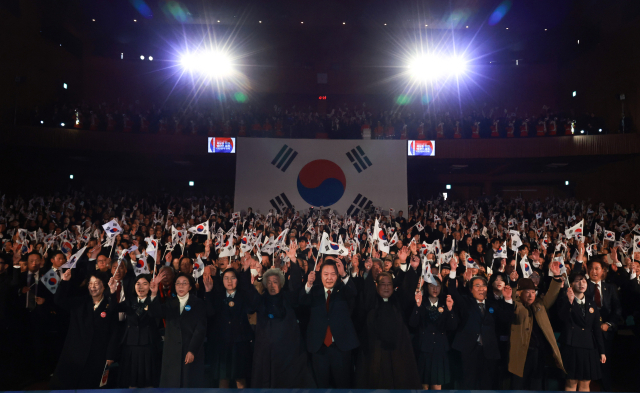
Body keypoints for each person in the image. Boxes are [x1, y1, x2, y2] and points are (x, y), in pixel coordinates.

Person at [244, 245, 315, 388]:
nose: (272, 285)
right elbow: (248, 294)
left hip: (286, 355)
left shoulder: (288, 298)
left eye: (275, 282)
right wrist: (245, 270)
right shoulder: (261, 300)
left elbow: (295, 285)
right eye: (268, 282)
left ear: (281, 283)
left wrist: (293, 260)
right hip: (265, 355)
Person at [447, 257, 514, 390]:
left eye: (483, 286)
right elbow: (453, 292)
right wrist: (453, 271)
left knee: (487, 385)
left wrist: (507, 299)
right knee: (468, 384)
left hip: (489, 351)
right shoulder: (466, 303)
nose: (481, 288)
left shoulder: (492, 305)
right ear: (471, 290)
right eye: (477, 286)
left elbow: (507, 317)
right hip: (469, 350)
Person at [49, 270, 119, 389]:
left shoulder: (109, 304)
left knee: (90, 387)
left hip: (96, 356)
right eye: (90, 283)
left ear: (104, 285)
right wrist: (64, 282)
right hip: (74, 354)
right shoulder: (80, 302)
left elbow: (114, 331)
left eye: (96, 283)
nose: (93, 287)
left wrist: (110, 355)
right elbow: (58, 301)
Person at [355, 271, 421, 389]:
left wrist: (413, 268)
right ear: (376, 286)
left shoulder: (398, 302)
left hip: (398, 357)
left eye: (389, 284)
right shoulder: (370, 303)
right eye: (383, 284)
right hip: (374, 357)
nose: (386, 287)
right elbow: (366, 293)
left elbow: (407, 289)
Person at [299, 258, 359, 388]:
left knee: (343, 385)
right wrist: (308, 284)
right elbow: (302, 301)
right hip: (319, 348)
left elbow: (354, 292)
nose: (329, 278)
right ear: (320, 275)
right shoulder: (314, 291)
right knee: (321, 386)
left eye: (333, 274)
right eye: (326, 274)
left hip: (341, 347)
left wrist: (344, 274)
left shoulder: (343, 290)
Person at [508, 261, 565, 390]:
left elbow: (551, 295)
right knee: (519, 385)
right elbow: (511, 299)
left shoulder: (540, 304)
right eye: (527, 292)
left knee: (537, 385)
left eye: (533, 292)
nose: (530, 295)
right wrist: (512, 284)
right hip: (522, 353)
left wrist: (556, 276)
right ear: (519, 293)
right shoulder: (516, 305)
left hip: (539, 353)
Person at [148, 271, 208, 388]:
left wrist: (192, 350)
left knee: (189, 384)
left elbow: (200, 329)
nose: (181, 286)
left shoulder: (198, 303)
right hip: (172, 353)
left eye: (184, 283)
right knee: (171, 385)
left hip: (190, 350)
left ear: (190, 286)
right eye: (178, 283)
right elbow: (154, 313)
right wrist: (154, 293)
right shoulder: (170, 302)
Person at [204, 260, 255, 388]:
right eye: (226, 278)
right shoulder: (217, 296)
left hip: (240, 343)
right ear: (222, 280)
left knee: (240, 378)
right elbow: (209, 313)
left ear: (237, 280)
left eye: (233, 278)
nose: (230, 281)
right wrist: (208, 292)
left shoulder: (243, 296)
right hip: (222, 343)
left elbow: (251, 309)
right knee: (223, 378)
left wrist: (248, 284)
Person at [108, 274, 161, 388]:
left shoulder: (154, 300)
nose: (141, 287)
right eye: (138, 284)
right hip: (130, 346)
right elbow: (113, 310)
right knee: (131, 381)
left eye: (145, 284)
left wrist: (154, 294)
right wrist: (112, 292)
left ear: (150, 286)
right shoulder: (129, 302)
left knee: (148, 382)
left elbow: (156, 313)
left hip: (148, 346)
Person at [558, 270, 606, 391]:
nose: (581, 283)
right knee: (571, 383)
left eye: (584, 280)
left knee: (585, 383)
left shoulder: (592, 304)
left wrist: (602, 351)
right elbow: (561, 319)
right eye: (577, 281)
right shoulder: (565, 301)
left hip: (589, 347)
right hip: (571, 347)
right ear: (571, 284)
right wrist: (569, 302)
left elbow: (596, 329)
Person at [409, 277, 458, 390]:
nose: (435, 288)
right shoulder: (421, 302)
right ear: (427, 287)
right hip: (424, 348)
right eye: (432, 286)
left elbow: (453, 326)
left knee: (437, 383)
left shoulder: (445, 303)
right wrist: (417, 306)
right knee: (423, 384)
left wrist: (450, 310)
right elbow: (413, 323)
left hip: (440, 349)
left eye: (438, 286)